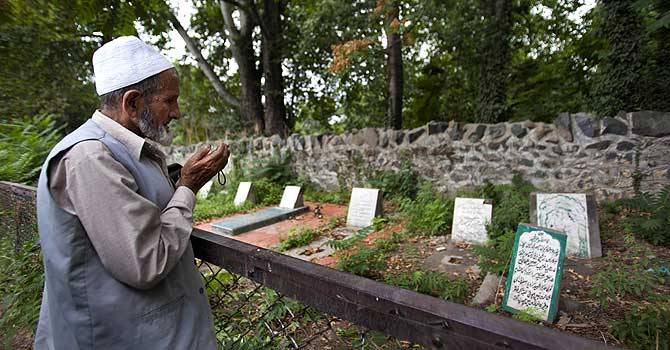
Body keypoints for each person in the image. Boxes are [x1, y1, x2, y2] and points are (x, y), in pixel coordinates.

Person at [34, 36, 227, 349]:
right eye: (169, 100)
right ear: (133, 103)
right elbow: (146, 259)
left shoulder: (121, 150)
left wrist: (178, 181)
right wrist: (188, 186)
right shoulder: (90, 159)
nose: (177, 113)